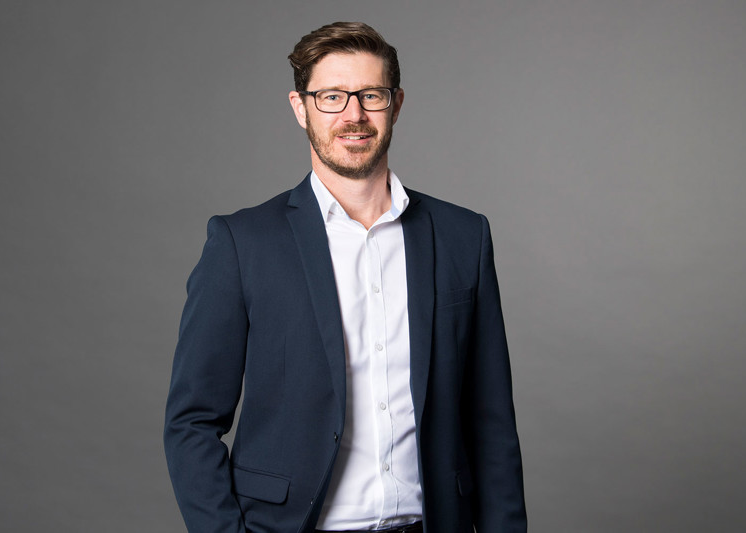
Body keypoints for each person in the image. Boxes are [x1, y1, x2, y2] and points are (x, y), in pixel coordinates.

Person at [164, 21, 527, 533]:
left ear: (396, 105)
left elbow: (492, 423)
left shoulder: (463, 237)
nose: (353, 115)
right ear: (301, 108)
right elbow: (192, 422)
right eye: (332, 96)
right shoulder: (243, 244)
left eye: (370, 95)